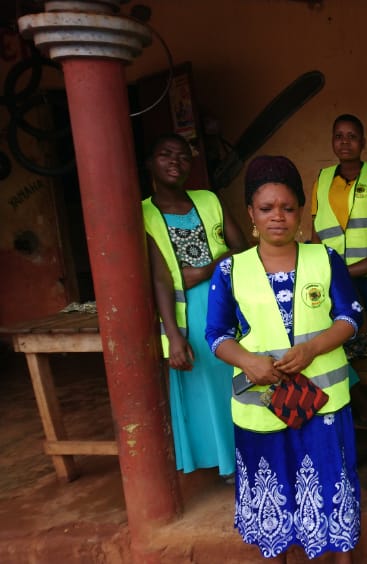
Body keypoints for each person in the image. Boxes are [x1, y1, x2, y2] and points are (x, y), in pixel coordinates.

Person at [206, 156, 363, 561]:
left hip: (323, 402)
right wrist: (247, 361)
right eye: (266, 208)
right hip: (260, 405)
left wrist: (313, 348)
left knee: (330, 486)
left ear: (302, 212)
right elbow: (217, 335)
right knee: (272, 492)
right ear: (250, 214)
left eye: (288, 208)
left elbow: (350, 317)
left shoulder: (325, 258)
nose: (278, 216)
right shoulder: (230, 270)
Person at [142, 132, 247, 478]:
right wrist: (173, 336)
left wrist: (204, 270)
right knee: (204, 386)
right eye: (165, 154)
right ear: (150, 163)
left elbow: (241, 248)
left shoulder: (209, 199)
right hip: (184, 312)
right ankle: (226, 461)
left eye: (183, 156)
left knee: (235, 379)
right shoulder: (143, 213)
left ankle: (247, 454)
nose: (175, 161)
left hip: (225, 302)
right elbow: (160, 279)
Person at [311, 113, 367, 332]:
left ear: (363, 142)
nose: (345, 142)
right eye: (339, 136)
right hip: (336, 278)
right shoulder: (322, 178)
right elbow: (316, 228)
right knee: (349, 334)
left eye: (352, 136)